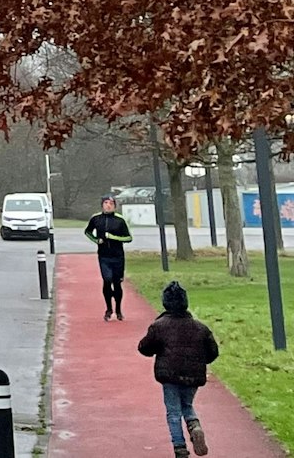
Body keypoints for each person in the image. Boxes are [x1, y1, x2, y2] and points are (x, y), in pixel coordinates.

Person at [137, 280, 219, 458]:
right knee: (187, 405)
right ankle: (194, 426)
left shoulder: (159, 326)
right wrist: (200, 361)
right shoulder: (201, 328)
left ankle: (180, 448)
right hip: (193, 376)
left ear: (165, 303)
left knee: (173, 411)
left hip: (169, 375)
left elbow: (144, 348)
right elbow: (213, 352)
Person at [84, 195, 133, 320]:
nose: (108, 205)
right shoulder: (96, 219)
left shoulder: (120, 220)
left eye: (111, 203)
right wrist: (96, 240)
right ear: (102, 205)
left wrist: (113, 237)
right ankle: (109, 309)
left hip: (118, 256)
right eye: (106, 203)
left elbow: (128, 238)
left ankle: (118, 310)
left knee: (117, 283)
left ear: (115, 206)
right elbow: (87, 232)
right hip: (104, 256)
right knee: (107, 280)